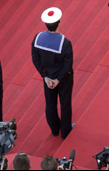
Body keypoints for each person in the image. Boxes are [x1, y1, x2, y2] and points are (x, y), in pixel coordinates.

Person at [32, 7, 75, 139]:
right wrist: (58, 79)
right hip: (63, 79)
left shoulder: (37, 38)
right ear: (59, 23)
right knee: (65, 104)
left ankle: (55, 129)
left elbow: (35, 59)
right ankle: (66, 131)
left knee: (50, 104)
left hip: (48, 78)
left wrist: (45, 76)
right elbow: (68, 64)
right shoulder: (65, 42)